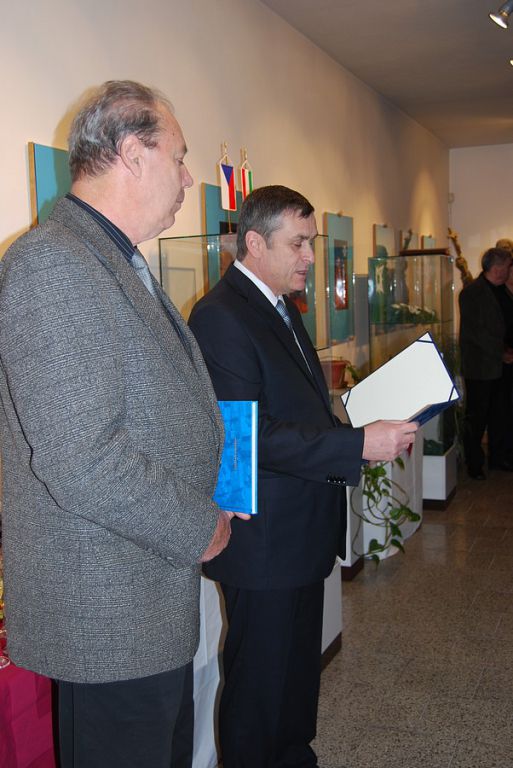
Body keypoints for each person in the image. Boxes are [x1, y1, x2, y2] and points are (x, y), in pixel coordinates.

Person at [0, 80, 239, 768]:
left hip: (143, 597)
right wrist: (198, 525)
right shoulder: (55, 262)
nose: (188, 178)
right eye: (179, 157)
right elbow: (82, 459)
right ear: (133, 153)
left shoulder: (112, 260)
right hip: (106, 615)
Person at [189, 185, 418, 768]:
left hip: (300, 533)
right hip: (264, 541)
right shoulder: (220, 316)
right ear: (255, 242)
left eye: (310, 243)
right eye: (298, 244)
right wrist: (356, 443)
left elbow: (299, 411)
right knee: (258, 690)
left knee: (294, 683)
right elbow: (248, 438)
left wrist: (356, 434)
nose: (311, 257)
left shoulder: (280, 306)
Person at [459, 246, 513, 479]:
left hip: (501, 365)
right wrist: (501, 353)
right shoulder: (472, 293)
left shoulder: (502, 290)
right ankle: (474, 464)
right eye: (508, 266)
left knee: (500, 413)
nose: (509, 270)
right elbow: (476, 334)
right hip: (481, 367)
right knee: (477, 417)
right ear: (497, 268)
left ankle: (498, 459)